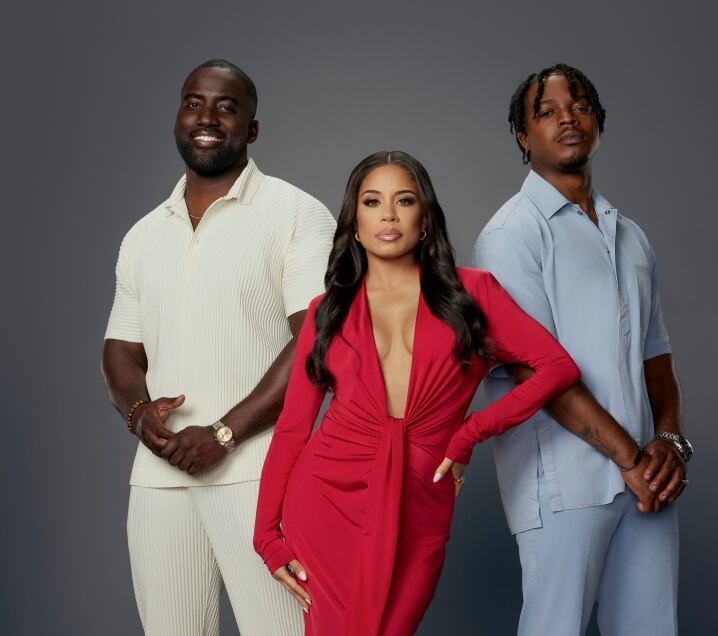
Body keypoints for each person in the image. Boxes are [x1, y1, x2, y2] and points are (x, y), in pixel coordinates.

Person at [254, 149, 597, 635]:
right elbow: (291, 429)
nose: (388, 214)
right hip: (325, 503)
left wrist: (471, 431)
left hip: (421, 500)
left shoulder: (473, 295)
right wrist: (266, 534)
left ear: (425, 219)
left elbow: (555, 367)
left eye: (404, 200)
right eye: (372, 202)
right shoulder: (324, 311)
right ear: (354, 224)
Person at [101, 59, 336, 635]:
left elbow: (318, 337)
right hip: (159, 481)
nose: (207, 118)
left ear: (251, 129)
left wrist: (223, 433)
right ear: (178, 117)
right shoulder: (144, 233)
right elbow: (121, 350)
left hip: (262, 474)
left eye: (227, 107)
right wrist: (139, 416)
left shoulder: (296, 213)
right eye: (194, 103)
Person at [475, 63, 692, 635]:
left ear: (598, 120)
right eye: (545, 111)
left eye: (579, 105)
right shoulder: (511, 235)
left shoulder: (631, 234)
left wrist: (668, 443)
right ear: (524, 137)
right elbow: (532, 370)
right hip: (562, 485)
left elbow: (657, 356)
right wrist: (633, 459)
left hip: (645, 478)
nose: (566, 117)